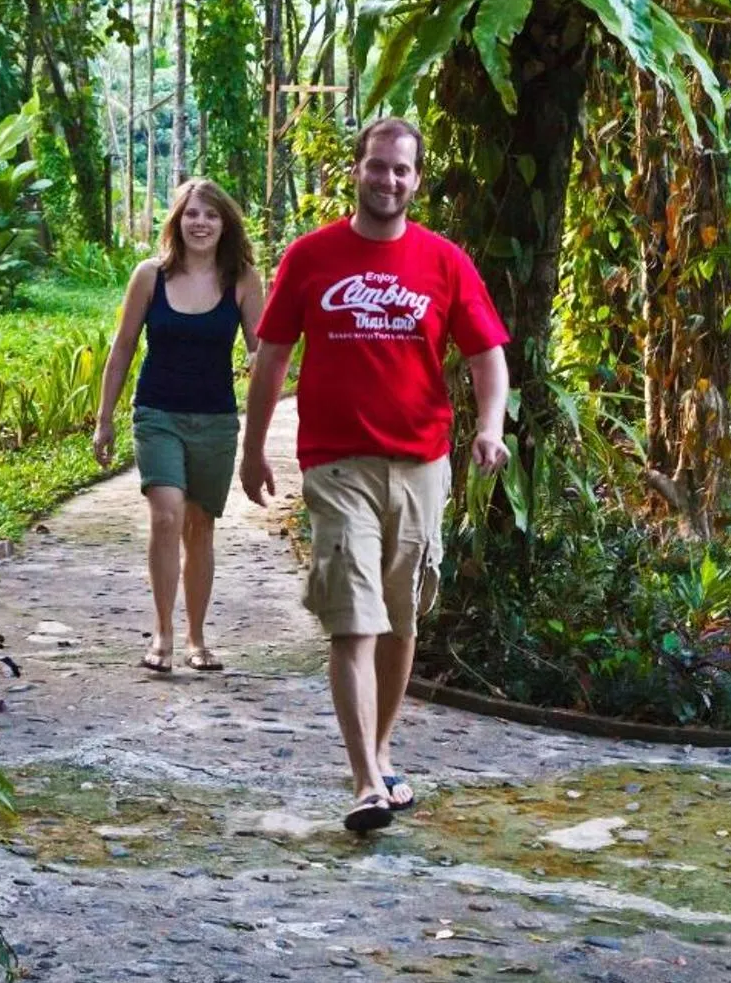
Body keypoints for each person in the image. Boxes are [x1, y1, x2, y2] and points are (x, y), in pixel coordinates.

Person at [240, 117, 509, 834]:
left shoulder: (444, 262)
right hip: (337, 463)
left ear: (417, 180)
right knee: (352, 621)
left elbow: (487, 356)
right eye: (377, 166)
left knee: (399, 621)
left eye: (402, 170)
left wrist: (490, 427)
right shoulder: (312, 256)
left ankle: (383, 752)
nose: (388, 179)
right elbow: (271, 357)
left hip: (422, 466)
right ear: (355, 170)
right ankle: (363, 781)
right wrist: (254, 445)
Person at [95, 178, 265, 674]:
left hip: (215, 418)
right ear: (177, 220)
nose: (200, 223)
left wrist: (264, 370)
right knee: (166, 514)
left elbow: (263, 351)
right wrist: (104, 420)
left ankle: (196, 637)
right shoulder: (150, 276)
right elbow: (123, 347)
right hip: (158, 413)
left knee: (200, 527)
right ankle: (163, 632)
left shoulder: (243, 279)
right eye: (191, 214)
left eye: (211, 215)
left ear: (225, 224)